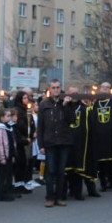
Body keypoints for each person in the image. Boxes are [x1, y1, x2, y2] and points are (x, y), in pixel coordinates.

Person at [37, 79, 76, 208]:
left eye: (58, 87)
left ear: (60, 88)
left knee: (61, 171)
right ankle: (49, 197)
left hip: (64, 141)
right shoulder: (44, 104)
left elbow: (72, 120)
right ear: (49, 89)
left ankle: (59, 197)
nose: (55, 90)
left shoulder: (67, 103)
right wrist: (40, 145)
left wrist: (65, 106)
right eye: (53, 87)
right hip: (50, 142)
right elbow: (40, 126)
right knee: (51, 170)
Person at [0, 106, 17, 202]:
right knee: (2, 176)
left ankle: (7, 191)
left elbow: (11, 141)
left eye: (10, 116)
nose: (9, 118)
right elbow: (0, 144)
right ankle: (0, 194)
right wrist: (2, 157)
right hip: (3, 156)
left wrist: (13, 154)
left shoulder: (8, 127)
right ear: (1, 117)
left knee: (8, 174)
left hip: (9, 154)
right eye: (7, 116)